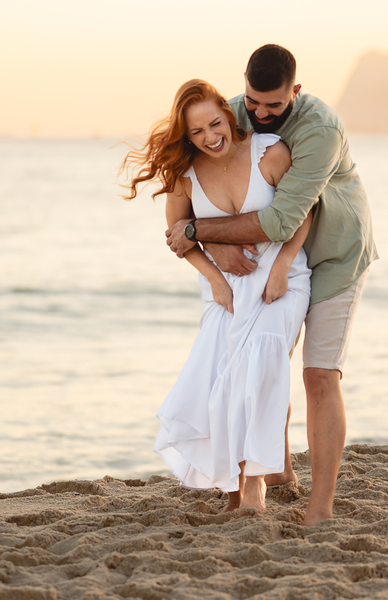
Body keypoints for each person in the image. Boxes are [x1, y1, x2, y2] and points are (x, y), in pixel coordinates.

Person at [164, 44, 377, 525]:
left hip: (333, 253)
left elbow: (282, 220)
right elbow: (200, 198)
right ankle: (273, 469)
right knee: (259, 362)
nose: (259, 114)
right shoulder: (229, 116)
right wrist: (212, 247)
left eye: (273, 105)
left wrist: (199, 232)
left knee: (318, 375)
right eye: (252, 101)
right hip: (267, 261)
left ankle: (320, 508)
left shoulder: (320, 130)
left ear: (295, 91)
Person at [123, 79, 313, 513]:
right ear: (186, 136)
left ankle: (255, 485)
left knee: (258, 365)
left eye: (214, 124)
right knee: (216, 379)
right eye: (196, 132)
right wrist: (214, 278)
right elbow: (178, 236)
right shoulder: (185, 175)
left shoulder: (269, 152)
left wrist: (282, 266)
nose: (210, 137)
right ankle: (232, 491)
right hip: (225, 288)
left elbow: (304, 212)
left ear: (228, 115)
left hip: (281, 278)